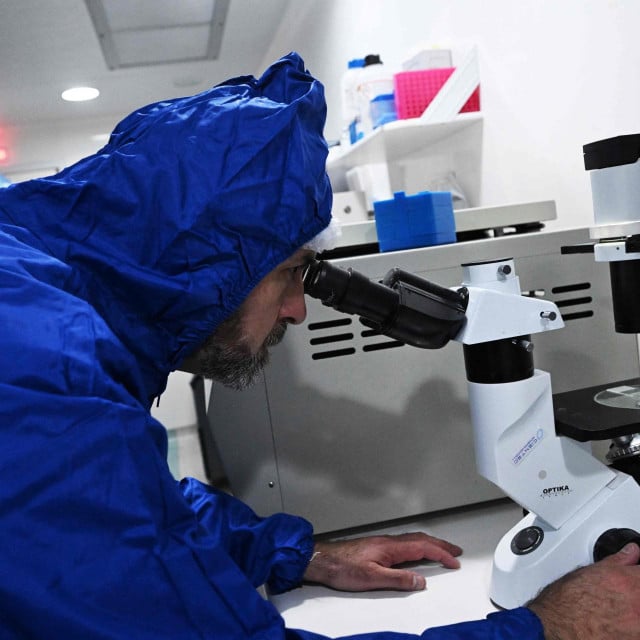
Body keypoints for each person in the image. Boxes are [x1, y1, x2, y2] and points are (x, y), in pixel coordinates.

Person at [0, 51, 638, 640]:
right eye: (287, 272)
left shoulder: (47, 300)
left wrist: (294, 552)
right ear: (205, 262)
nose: (299, 310)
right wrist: (551, 628)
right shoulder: (45, 371)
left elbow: (133, 510)